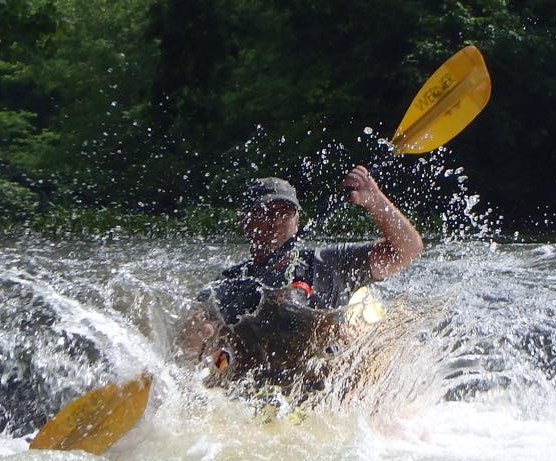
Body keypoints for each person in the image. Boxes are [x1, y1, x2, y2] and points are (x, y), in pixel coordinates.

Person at [179, 165, 423, 385]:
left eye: (285, 213)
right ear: (246, 222)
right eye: (265, 212)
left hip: (324, 386)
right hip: (258, 387)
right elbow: (195, 331)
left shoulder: (330, 263)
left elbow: (407, 250)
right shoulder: (229, 285)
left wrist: (375, 200)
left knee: (344, 339)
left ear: (297, 222)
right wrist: (200, 337)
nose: (276, 221)